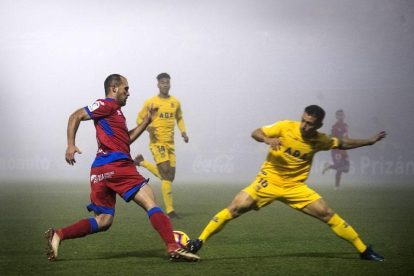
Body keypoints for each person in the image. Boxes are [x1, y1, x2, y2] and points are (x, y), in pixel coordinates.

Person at [187, 105, 386, 262]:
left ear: (318, 126)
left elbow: (341, 142)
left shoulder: (320, 140)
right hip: (268, 181)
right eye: (303, 120)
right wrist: (266, 139)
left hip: (295, 187)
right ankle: (199, 241)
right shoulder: (285, 127)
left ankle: (363, 250)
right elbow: (255, 132)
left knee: (328, 214)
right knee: (236, 207)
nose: (304, 126)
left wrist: (368, 141)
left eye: (309, 124)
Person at [45, 74, 199, 262]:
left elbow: (126, 139)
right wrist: (70, 144)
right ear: (114, 88)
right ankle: (173, 247)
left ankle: (58, 234)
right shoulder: (106, 105)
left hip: (100, 171)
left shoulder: (115, 112)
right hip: (117, 165)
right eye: (126, 88)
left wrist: (146, 121)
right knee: (151, 202)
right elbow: (76, 115)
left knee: (103, 221)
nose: (128, 93)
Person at [134, 73, 188, 219]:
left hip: (170, 143)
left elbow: (179, 118)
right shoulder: (151, 102)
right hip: (157, 141)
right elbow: (139, 117)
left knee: (169, 177)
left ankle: (141, 162)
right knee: (165, 172)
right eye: (162, 82)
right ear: (158, 85)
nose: (165, 84)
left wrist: (183, 132)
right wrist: (146, 127)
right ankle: (170, 211)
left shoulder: (175, 102)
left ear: (170, 84)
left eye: (167, 82)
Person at [322, 109, 350, 190]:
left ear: (344, 115)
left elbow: (346, 137)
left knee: (346, 168)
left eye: (342, 115)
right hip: (336, 149)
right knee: (339, 166)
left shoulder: (345, 126)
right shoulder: (335, 127)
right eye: (339, 115)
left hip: (344, 149)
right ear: (336, 117)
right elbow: (330, 136)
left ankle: (329, 166)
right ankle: (337, 186)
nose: (341, 116)